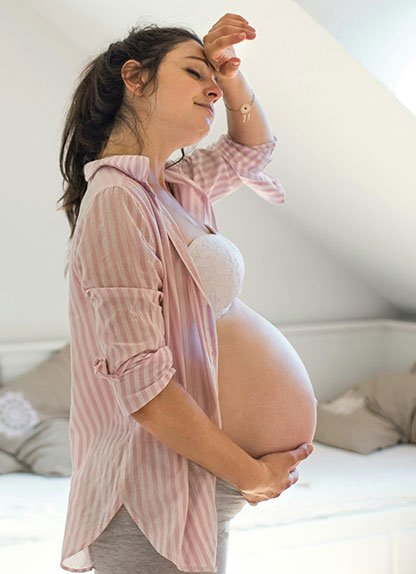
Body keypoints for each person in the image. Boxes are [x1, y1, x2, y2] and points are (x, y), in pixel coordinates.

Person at [57, 14, 314, 573]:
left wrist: (232, 72)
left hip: (192, 487)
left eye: (214, 79)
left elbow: (252, 149)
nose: (214, 89)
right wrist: (253, 474)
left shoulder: (174, 189)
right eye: (195, 72)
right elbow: (144, 388)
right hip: (150, 498)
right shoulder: (117, 199)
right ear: (135, 77)